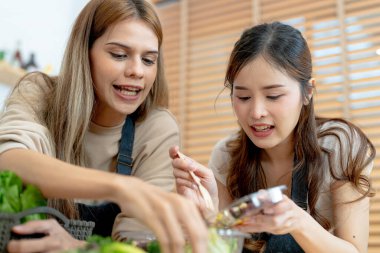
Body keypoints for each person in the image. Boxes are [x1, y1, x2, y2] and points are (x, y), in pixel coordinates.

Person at [0, 0, 208, 252]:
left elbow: (137, 245)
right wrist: (121, 188)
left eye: (149, 60)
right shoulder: (38, 93)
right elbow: (8, 161)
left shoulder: (156, 128)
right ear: (85, 52)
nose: (136, 71)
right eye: (119, 55)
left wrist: (79, 247)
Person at [170, 21, 375, 253]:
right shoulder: (227, 155)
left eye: (274, 96)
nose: (257, 112)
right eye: (244, 97)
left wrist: (298, 222)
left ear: (307, 93)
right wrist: (208, 212)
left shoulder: (339, 146)